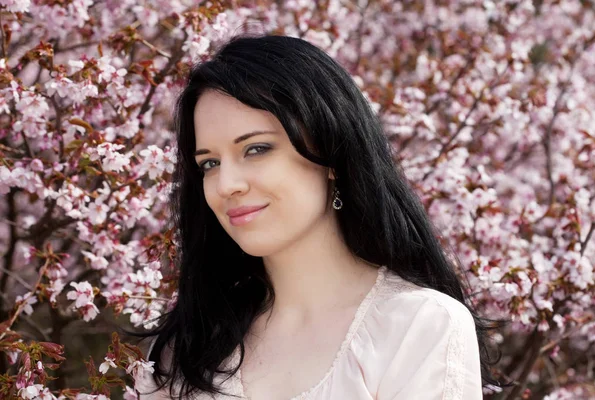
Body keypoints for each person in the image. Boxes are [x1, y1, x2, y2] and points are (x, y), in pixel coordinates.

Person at [135, 33, 504, 399]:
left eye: (256, 149)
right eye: (210, 163)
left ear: (330, 155)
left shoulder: (416, 327)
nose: (226, 184)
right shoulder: (183, 349)